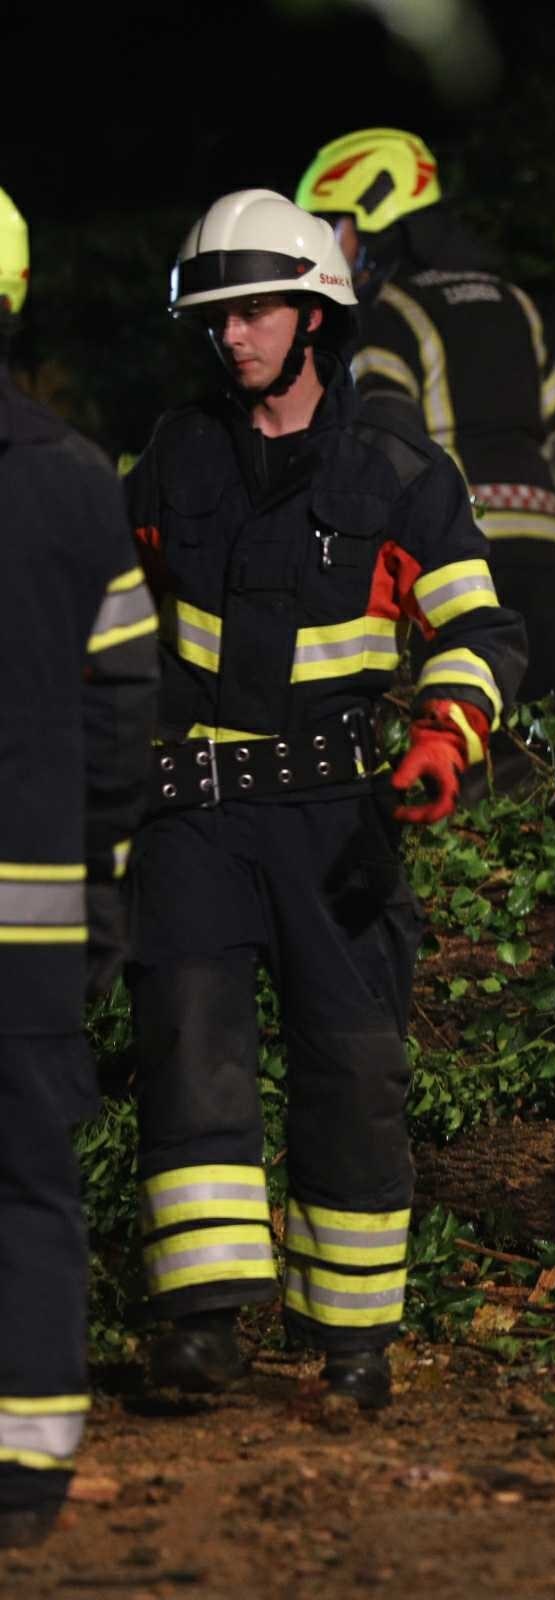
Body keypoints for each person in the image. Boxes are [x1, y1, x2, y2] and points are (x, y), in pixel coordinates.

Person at [125, 190, 526, 1411]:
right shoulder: (171, 460)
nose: (233, 336)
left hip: (339, 821)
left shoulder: (400, 475)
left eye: (255, 312)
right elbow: (106, 623)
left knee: (351, 1069)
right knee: (190, 1053)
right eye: (218, 316)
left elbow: (480, 628)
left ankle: (352, 1341)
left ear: (315, 316)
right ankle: (200, 1327)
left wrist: (444, 738)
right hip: (193, 813)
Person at [0, 184, 159, 1545]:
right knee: (32, 1185)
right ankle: (29, 1471)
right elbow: (124, 711)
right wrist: (99, 873)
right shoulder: (75, 481)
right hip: (35, 925)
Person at [295, 128, 555, 776]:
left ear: (377, 223)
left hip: (457, 553)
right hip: (543, 549)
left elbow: (385, 438)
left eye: (335, 228)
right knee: (537, 739)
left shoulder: (386, 312)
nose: (332, 249)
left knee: (454, 738)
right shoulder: (516, 301)